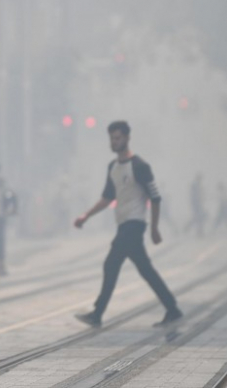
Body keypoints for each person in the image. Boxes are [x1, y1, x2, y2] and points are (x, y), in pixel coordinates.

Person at [74, 121, 182, 328]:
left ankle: (97, 314)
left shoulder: (140, 166)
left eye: (118, 138)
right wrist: (86, 216)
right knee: (145, 269)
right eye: (112, 138)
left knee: (111, 264)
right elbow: (107, 198)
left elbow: (155, 197)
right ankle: (173, 308)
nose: (114, 142)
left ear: (127, 138)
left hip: (134, 225)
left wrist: (154, 228)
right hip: (123, 224)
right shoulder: (112, 167)